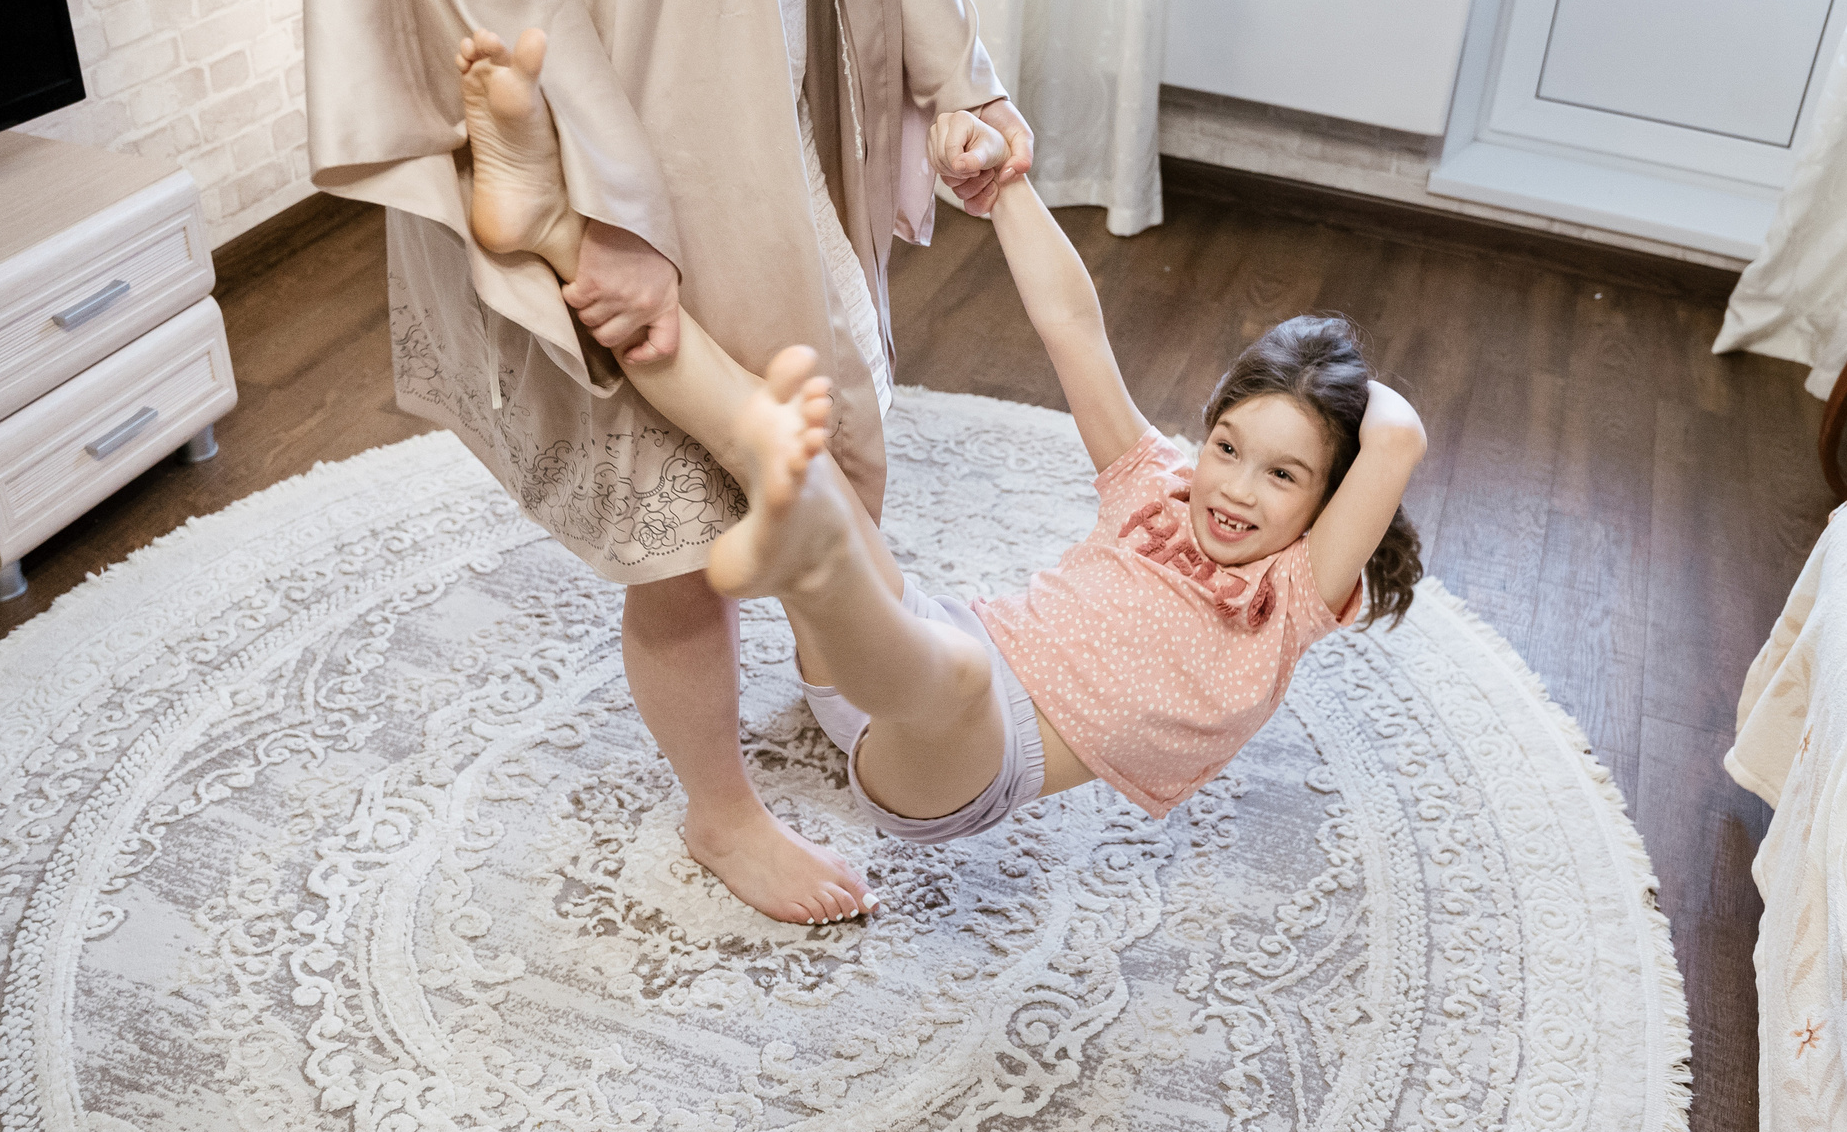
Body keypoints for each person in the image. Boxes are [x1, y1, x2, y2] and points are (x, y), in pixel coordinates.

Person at [302, 0, 1031, 927]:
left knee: (809, 429)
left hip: (769, 98)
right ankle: (721, 810)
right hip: (620, 111)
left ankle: (828, 654)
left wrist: (958, 75)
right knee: (683, 521)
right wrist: (600, 205)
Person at [456, 44, 1427, 884]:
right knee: (831, 494)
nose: (1233, 488)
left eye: (1283, 475)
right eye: (1227, 447)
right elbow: (1070, 328)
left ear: (1330, 503)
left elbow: (1398, 433)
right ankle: (546, 227)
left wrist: (1329, 392)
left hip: (955, 754)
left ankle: (800, 539)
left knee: (950, 666)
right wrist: (1004, 185)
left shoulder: (1290, 597)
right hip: (896, 658)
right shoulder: (1154, 489)